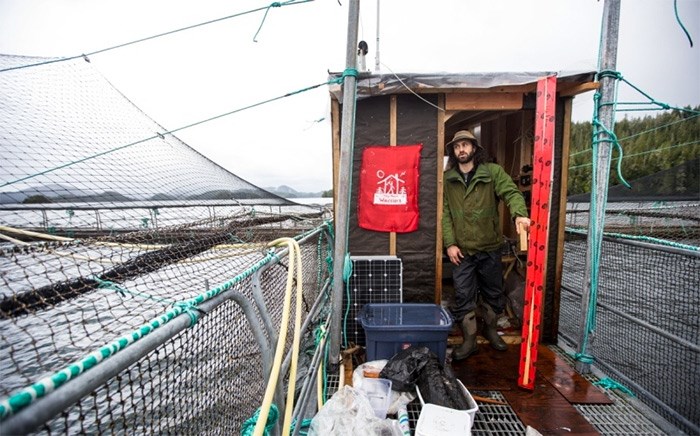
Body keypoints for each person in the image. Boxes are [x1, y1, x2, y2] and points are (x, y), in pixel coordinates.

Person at [442, 130, 531, 361]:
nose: (461, 149)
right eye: (457, 146)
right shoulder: (448, 179)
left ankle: (491, 331)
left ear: (474, 148)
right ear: (453, 152)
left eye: (465, 145)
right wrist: (450, 244)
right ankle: (469, 340)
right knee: (463, 295)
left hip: (490, 247)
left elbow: (511, 193)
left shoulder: (492, 173)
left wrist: (519, 215)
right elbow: (445, 214)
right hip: (462, 251)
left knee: (493, 292)